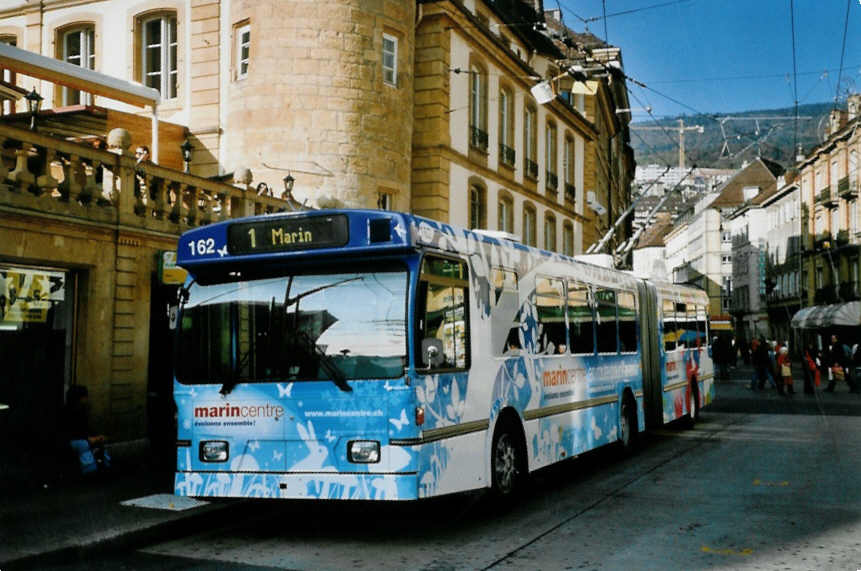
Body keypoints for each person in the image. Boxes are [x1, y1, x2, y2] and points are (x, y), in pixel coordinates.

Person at [61, 385, 110, 475]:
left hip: (81, 438)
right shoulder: (67, 412)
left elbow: (86, 428)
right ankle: (90, 470)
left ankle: (104, 467)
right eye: (84, 397)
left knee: (99, 444)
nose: (86, 399)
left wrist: (96, 437)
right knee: (84, 445)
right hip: (71, 441)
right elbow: (70, 432)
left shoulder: (82, 410)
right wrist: (88, 439)